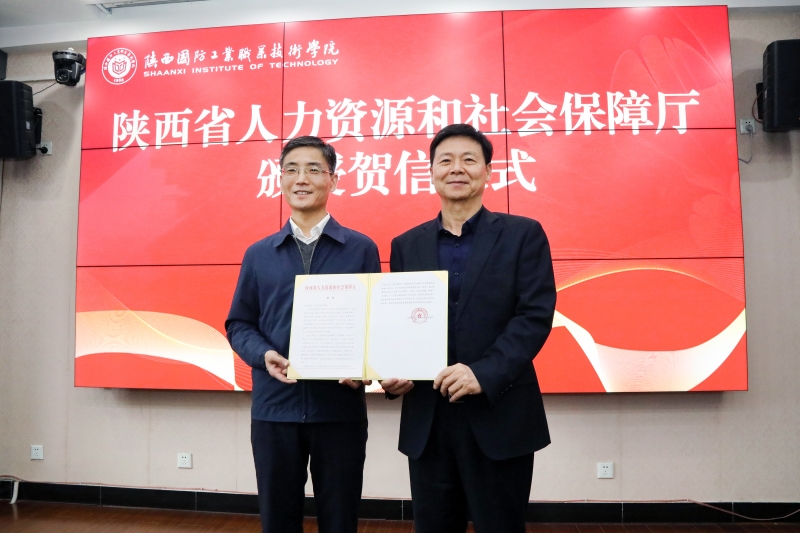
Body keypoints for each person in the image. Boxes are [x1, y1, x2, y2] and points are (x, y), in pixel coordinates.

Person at [382, 124, 557, 533]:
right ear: (431, 172)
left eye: (468, 160)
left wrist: (483, 372)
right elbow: (400, 322)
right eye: (445, 160)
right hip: (428, 419)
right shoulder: (406, 245)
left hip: (500, 412)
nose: (456, 168)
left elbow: (534, 316)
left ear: (488, 171)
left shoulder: (523, 234)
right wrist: (391, 373)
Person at [226, 136, 380, 533]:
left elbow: (376, 324)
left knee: (340, 518)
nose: (301, 178)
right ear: (280, 179)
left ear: (333, 180)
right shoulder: (259, 254)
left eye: (314, 169)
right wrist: (263, 355)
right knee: (278, 519)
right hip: (274, 410)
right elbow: (239, 324)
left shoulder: (361, 248)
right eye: (291, 169)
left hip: (339, 411)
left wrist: (366, 368)